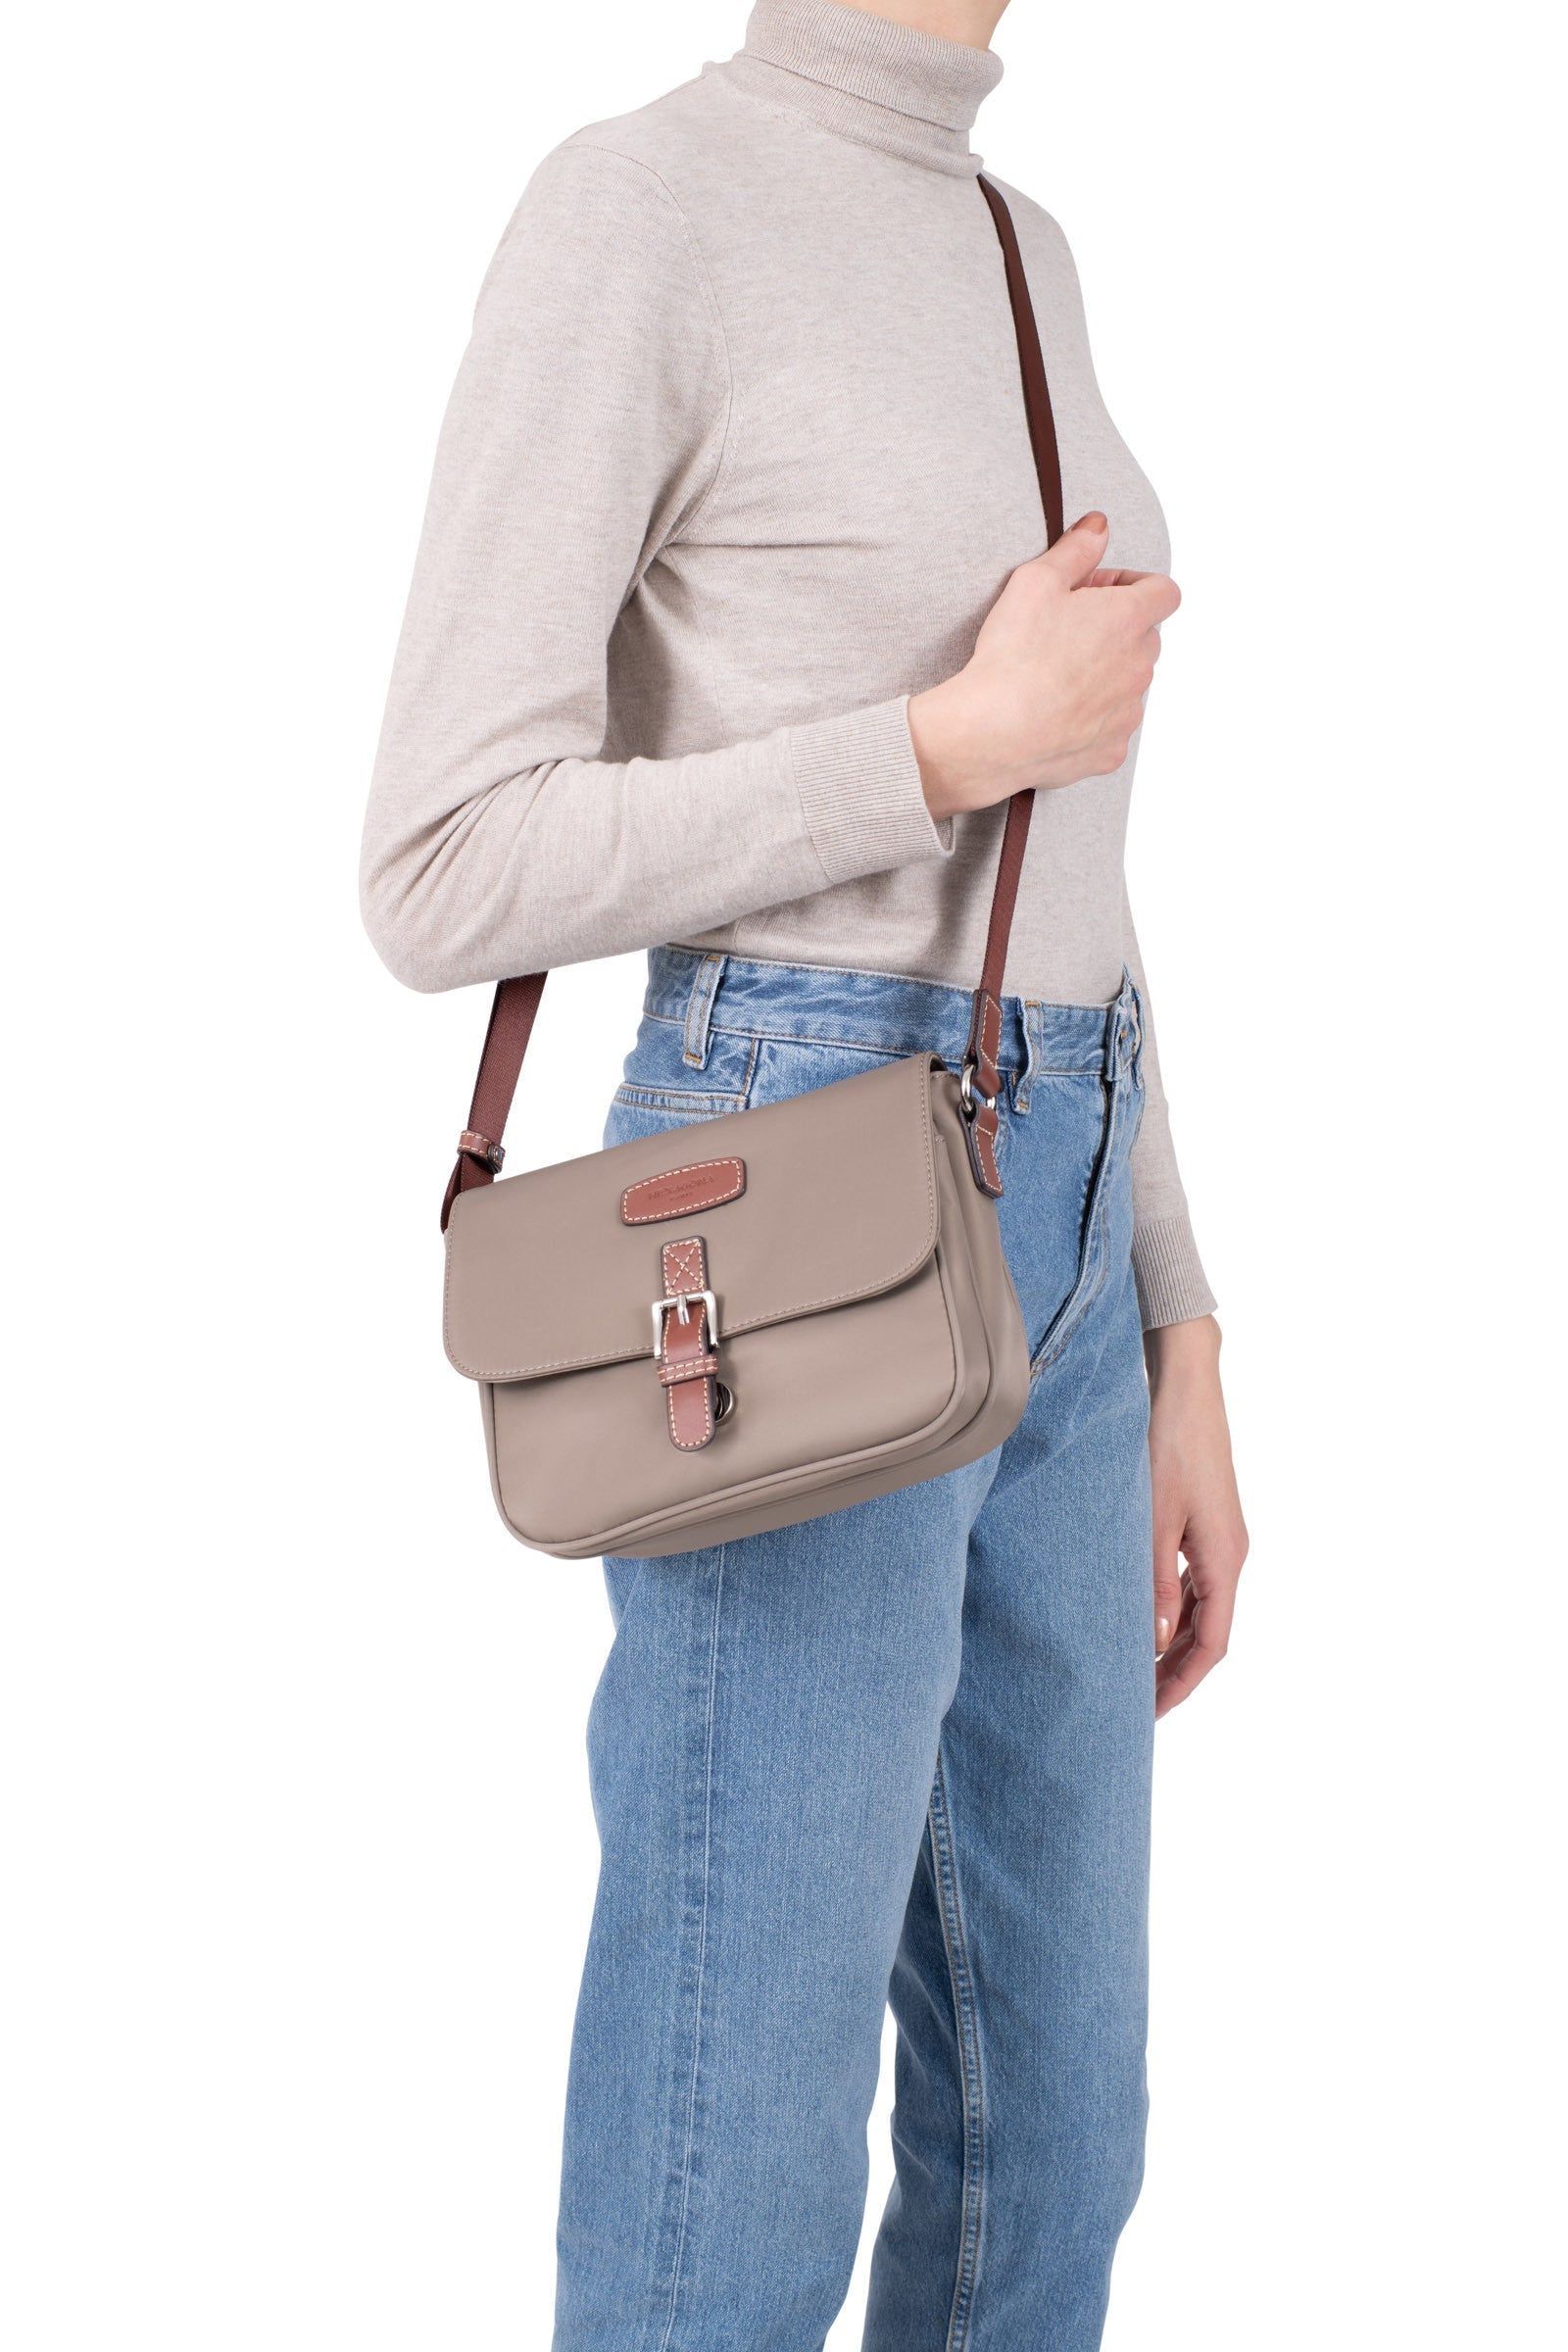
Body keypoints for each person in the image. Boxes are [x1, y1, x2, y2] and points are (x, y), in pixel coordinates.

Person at [361, 0, 1249, 2341]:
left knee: (1054, 2145)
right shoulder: (638, 210)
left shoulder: (1015, 243)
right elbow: (441, 866)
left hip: (1060, 1176)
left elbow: (1066, 852)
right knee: (728, 2157)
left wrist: (1172, 1319)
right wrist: (936, 744)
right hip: (785, 1210)